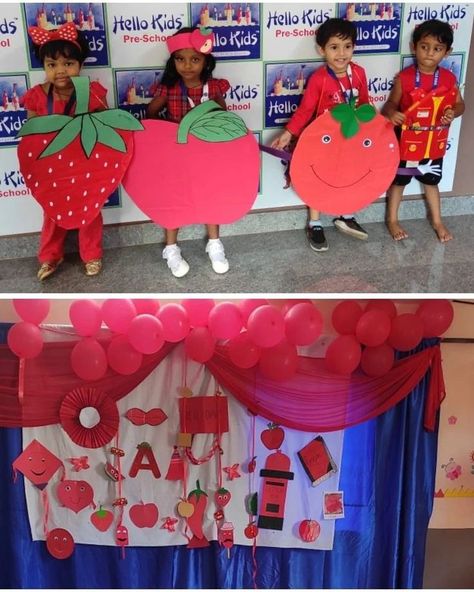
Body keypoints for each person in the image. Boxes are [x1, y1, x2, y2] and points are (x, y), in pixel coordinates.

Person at [271, 18, 370, 252]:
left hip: (349, 140)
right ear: (321, 49)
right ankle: (315, 223)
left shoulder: (359, 74)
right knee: (317, 180)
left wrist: (375, 126)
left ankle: (346, 215)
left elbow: (365, 103)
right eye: (334, 47)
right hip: (322, 143)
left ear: (354, 47)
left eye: (347, 46)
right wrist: (288, 134)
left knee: (349, 175)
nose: (341, 53)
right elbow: (305, 110)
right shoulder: (319, 78)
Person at [23, 23, 108, 280]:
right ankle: (50, 256)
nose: (60, 70)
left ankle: (92, 254)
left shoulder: (92, 92)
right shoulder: (37, 96)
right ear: (45, 67)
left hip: (86, 165)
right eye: (52, 64)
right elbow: (31, 135)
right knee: (52, 212)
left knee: (90, 211)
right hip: (53, 168)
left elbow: (104, 126)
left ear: (80, 64)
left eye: (68, 63)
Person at [147, 27, 230, 277]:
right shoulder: (169, 88)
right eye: (180, 59)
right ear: (173, 61)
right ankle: (171, 248)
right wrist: (167, 135)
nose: (187, 65)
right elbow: (151, 115)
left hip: (206, 155)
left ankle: (214, 243)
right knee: (174, 200)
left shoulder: (213, 87)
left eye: (195, 59)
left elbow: (224, 117)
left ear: (206, 61)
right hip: (176, 156)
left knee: (210, 196)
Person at [382, 19, 465, 242]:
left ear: (447, 52)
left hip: (433, 143)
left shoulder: (449, 79)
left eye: (437, 49)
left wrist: (453, 112)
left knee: (431, 182)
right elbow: (390, 104)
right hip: (407, 144)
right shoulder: (405, 78)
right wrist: (392, 113)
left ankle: (437, 221)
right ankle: (392, 220)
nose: (429, 53)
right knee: (399, 182)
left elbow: (460, 105)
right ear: (414, 47)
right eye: (424, 46)